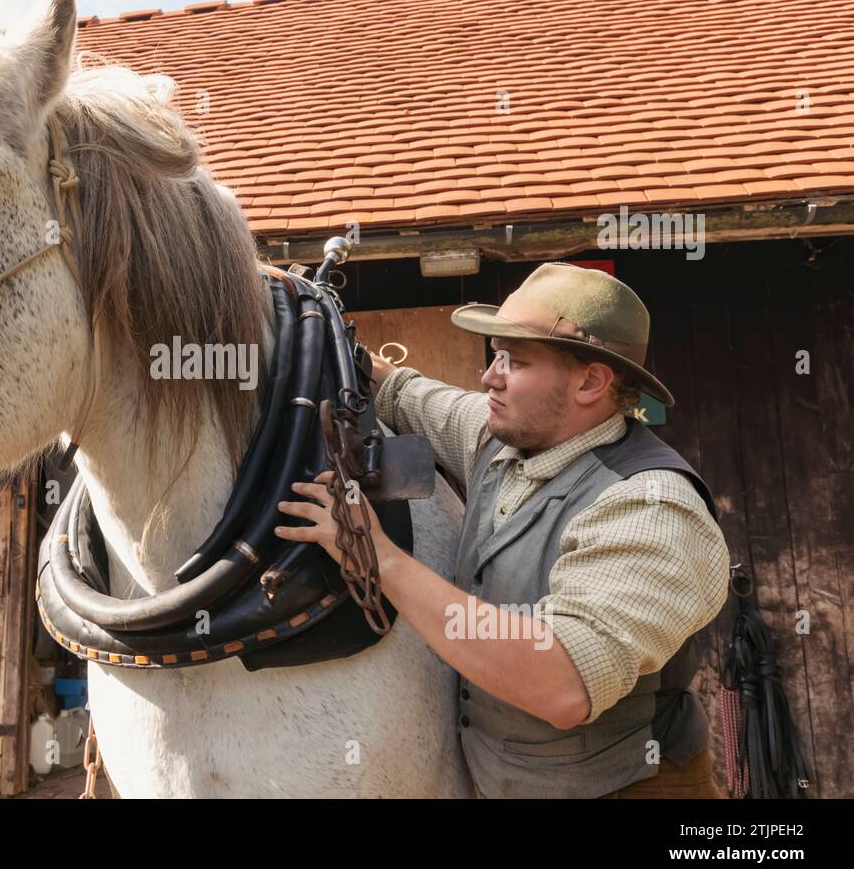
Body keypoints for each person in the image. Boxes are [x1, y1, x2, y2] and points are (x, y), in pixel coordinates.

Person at [276, 262, 730, 798]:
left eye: (514, 361)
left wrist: (381, 559)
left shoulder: (650, 504)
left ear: (590, 382)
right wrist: (286, 293)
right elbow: (401, 389)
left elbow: (562, 684)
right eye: (495, 355)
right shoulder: (505, 437)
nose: (489, 376)